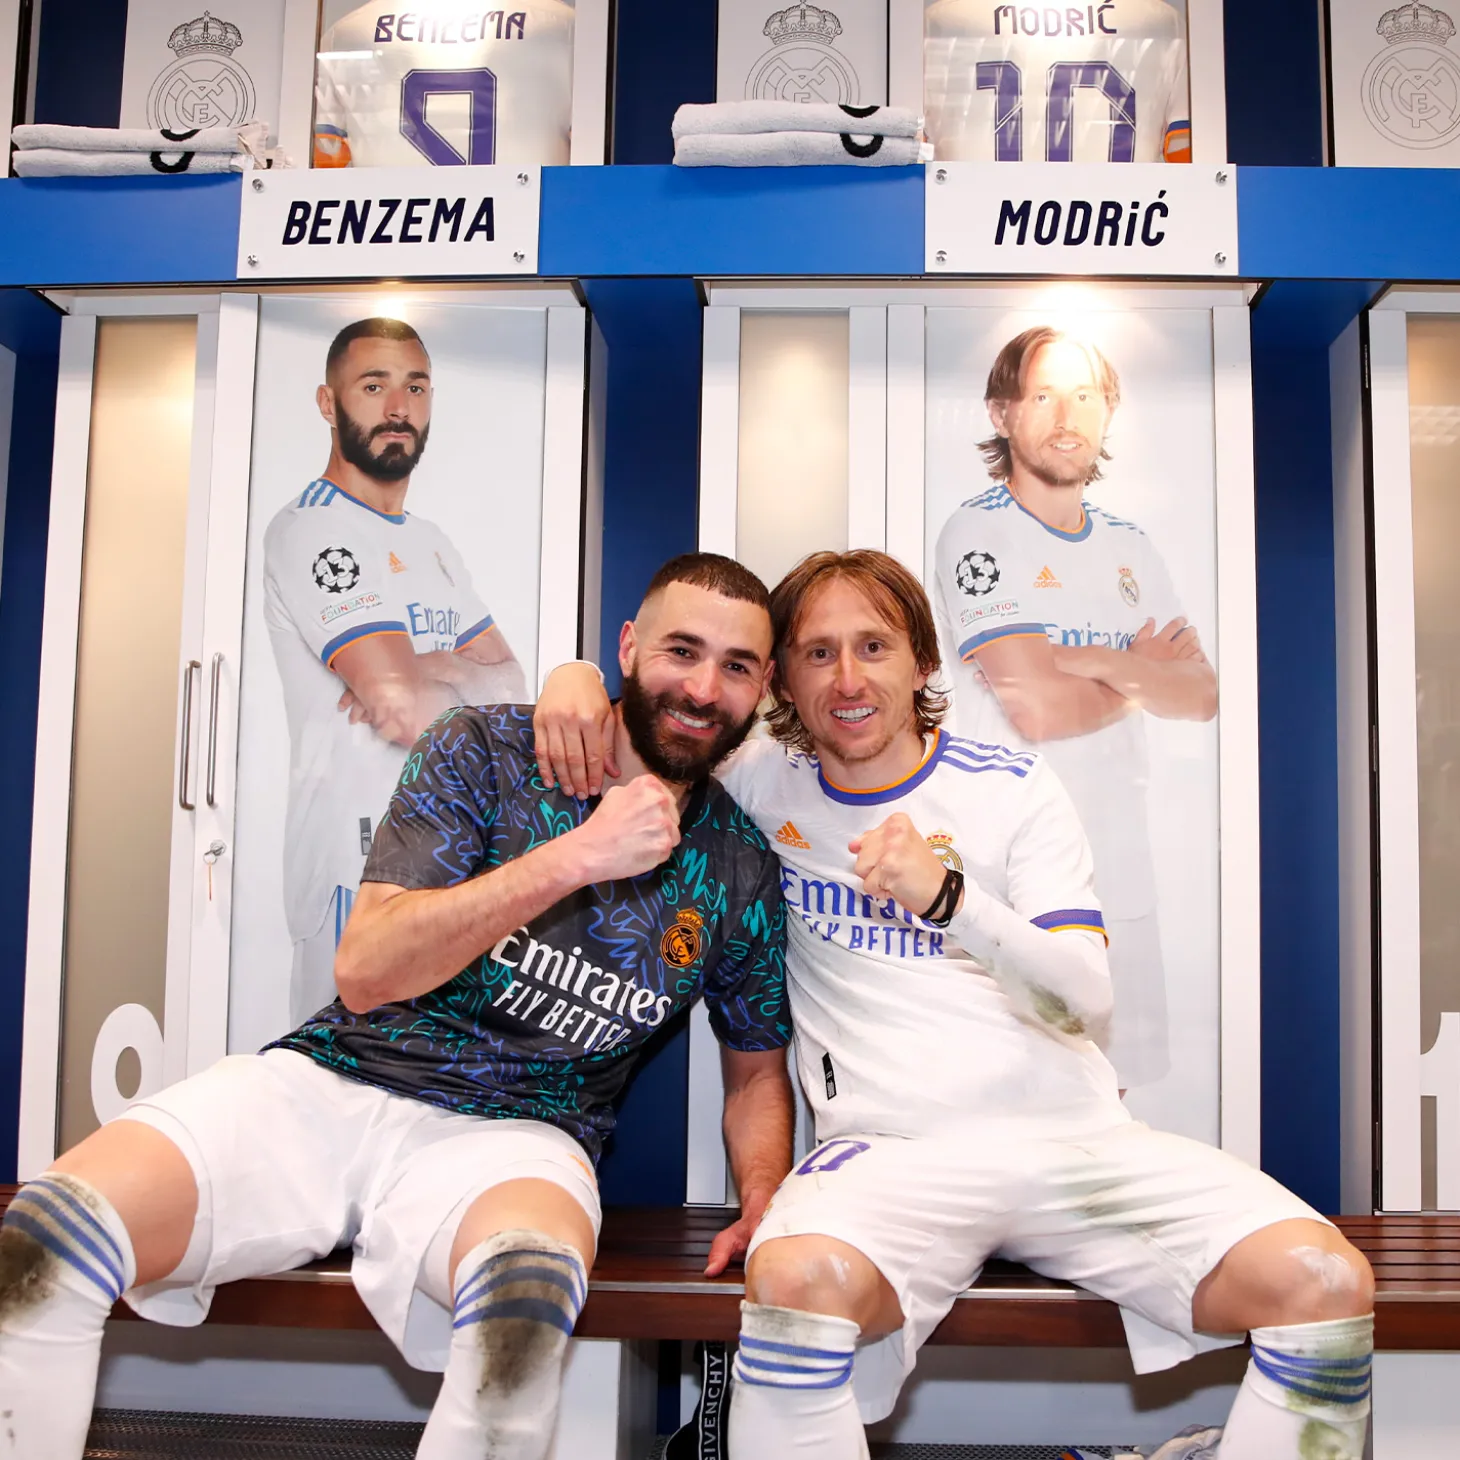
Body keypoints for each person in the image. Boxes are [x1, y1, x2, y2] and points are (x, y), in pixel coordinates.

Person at [534, 549, 1374, 1460]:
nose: (848, 679)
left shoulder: (1011, 788)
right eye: (818, 653)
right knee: (794, 1282)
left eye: (874, 647)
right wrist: (574, 676)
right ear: (781, 678)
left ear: (923, 663)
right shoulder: (757, 784)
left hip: (1076, 1147)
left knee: (1325, 1284)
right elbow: (650, 734)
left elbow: (1085, 999)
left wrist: (950, 899)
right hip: (891, 1155)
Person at [0, 553, 793, 1460]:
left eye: (735, 666)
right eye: (680, 651)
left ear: (763, 685)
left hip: (520, 1139)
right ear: (626, 648)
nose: (701, 687)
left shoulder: (737, 865)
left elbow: (755, 1074)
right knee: (43, 1245)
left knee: (520, 1330)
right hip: (333, 1086)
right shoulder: (485, 747)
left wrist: (764, 1197)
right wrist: (574, 856)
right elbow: (366, 969)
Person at [934, 326, 1217, 1090]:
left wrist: (1101, 664)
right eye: (1045, 394)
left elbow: (1202, 694)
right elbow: (1036, 709)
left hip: (1119, 861)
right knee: (1016, 1090)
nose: (1068, 415)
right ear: (1002, 413)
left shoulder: (1132, 546)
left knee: (1110, 1089)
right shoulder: (978, 533)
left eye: (1087, 395)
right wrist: (1141, 676)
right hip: (1008, 868)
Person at [263, 315, 526, 1024]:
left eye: (415, 387)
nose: (398, 408)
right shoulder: (313, 529)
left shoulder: (431, 543)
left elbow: (512, 688)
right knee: (338, 1097)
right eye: (373, 386)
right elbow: (401, 708)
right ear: (329, 403)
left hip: (443, 868)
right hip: (352, 872)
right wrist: (426, 680)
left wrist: (427, 670)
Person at [923, 0, 1191, 164]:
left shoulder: (940, 22)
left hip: (973, 234)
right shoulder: (1161, 22)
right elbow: (1191, 164)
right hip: (1123, 232)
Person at [313, 2, 575, 168]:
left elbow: (323, 168)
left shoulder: (346, 32)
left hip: (390, 232)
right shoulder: (565, 25)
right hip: (530, 231)